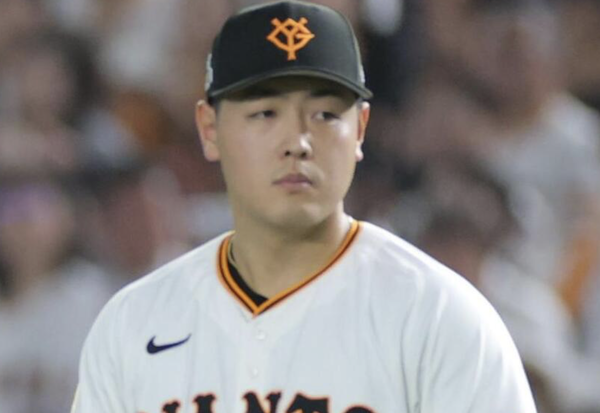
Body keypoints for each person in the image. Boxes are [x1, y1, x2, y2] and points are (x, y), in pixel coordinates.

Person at [71, 2, 536, 412]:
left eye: (325, 115)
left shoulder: (441, 316)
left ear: (360, 129)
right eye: (264, 113)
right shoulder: (135, 323)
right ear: (209, 129)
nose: (297, 142)